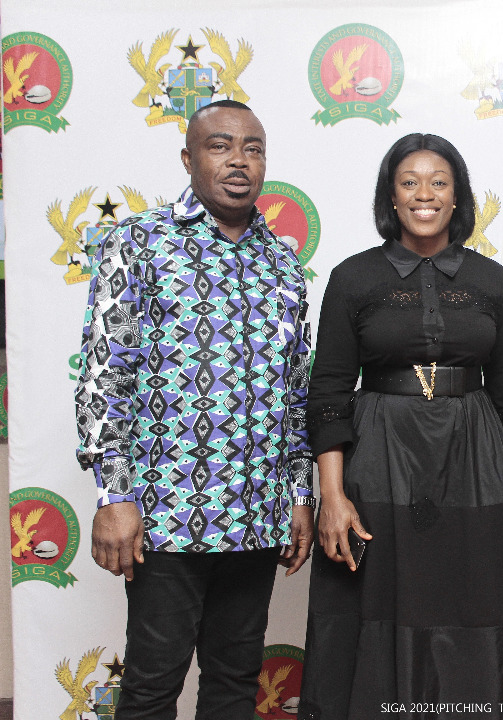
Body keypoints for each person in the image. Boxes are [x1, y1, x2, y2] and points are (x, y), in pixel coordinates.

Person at [74, 99, 314, 718]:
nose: (239, 160)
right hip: (164, 515)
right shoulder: (140, 241)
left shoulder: (284, 263)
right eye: (220, 145)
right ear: (188, 158)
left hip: (255, 514)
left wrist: (297, 495)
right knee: (153, 684)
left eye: (253, 148)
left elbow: (293, 393)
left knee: (235, 682)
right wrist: (113, 494)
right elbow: (105, 371)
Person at [299, 133, 503, 719]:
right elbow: (330, 391)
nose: (424, 194)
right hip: (378, 459)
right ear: (391, 195)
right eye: (409, 181)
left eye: (439, 181)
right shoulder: (354, 278)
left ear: (458, 195)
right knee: (378, 601)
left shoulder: (492, 280)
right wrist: (331, 496)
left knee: (477, 600)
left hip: (475, 462)